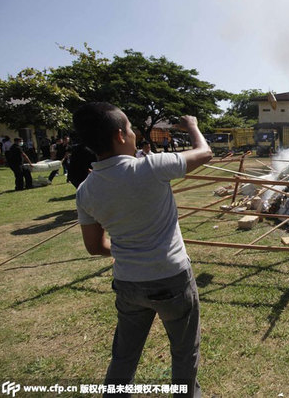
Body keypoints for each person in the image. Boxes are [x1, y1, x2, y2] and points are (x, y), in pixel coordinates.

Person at [73, 102, 212, 397]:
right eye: (130, 127)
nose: (135, 132)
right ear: (120, 135)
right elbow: (205, 153)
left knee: (124, 356)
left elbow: (95, 246)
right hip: (172, 278)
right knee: (184, 353)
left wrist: (128, 248)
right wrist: (192, 126)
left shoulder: (85, 190)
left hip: (128, 284)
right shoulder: (151, 168)